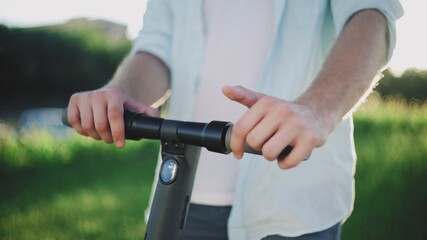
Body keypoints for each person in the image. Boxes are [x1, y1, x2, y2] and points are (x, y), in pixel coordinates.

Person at [66, 0, 403, 239]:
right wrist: (122, 92)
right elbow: (156, 46)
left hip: (292, 204)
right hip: (182, 196)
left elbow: (371, 14)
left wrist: (318, 108)